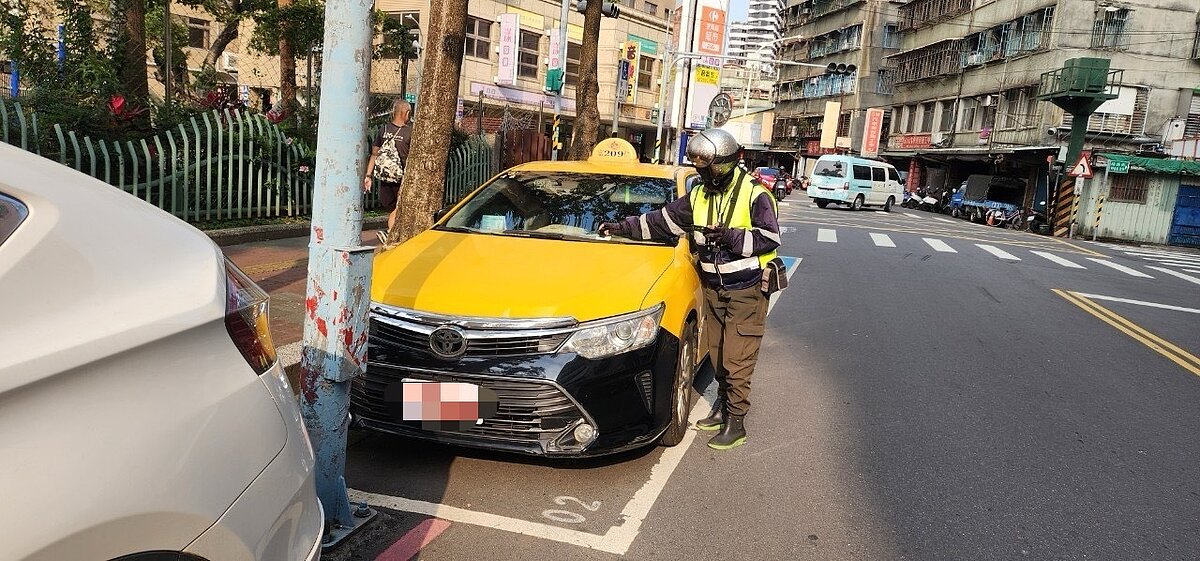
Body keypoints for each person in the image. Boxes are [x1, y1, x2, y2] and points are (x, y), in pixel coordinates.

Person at [598, 128, 781, 451]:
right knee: (718, 353)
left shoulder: (756, 195)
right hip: (712, 288)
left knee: (737, 359)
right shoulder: (699, 195)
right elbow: (660, 221)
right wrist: (620, 227)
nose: (705, 173)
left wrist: (731, 237)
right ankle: (723, 409)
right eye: (700, 167)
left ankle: (736, 423)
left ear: (728, 162)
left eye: (710, 167)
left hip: (746, 291)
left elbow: (770, 238)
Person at [363, 99, 413, 243]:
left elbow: (374, 154)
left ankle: (391, 232)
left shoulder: (383, 130)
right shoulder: (410, 131)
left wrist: (369, 175)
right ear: (406, 113)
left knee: (395, 206)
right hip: (400, 177)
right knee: (397, 207)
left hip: (385, 177)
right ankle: (391, 233)